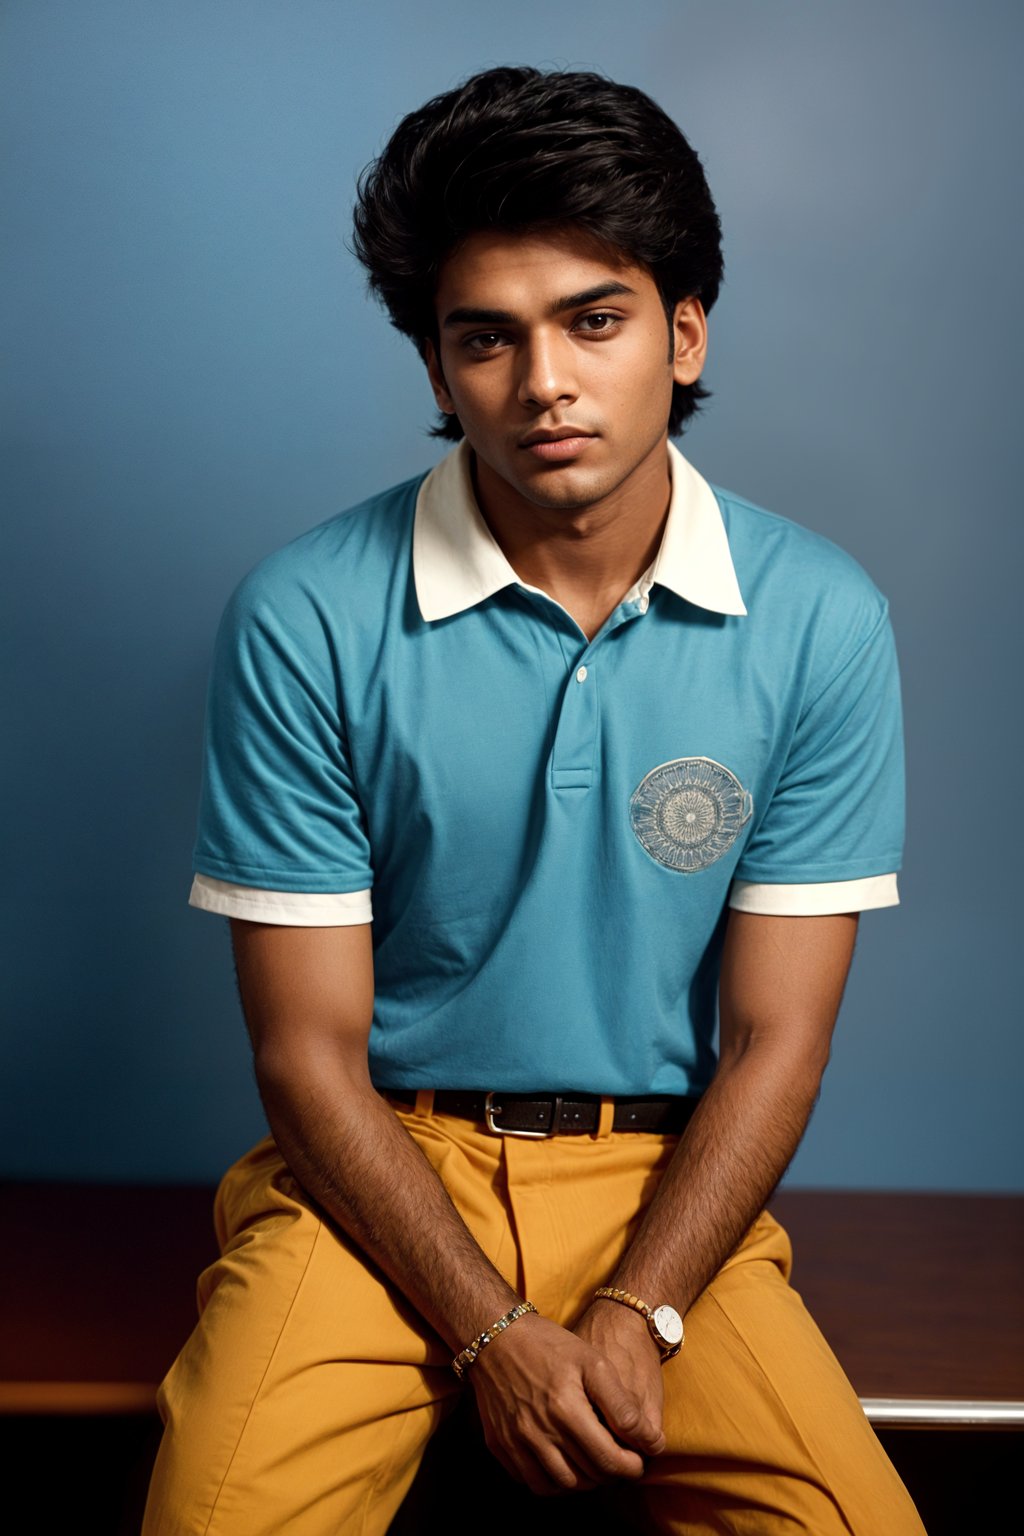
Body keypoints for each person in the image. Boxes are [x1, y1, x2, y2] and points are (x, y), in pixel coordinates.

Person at [143, 66, 925, 1535]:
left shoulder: (820, 617)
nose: (544, 382)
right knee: (214, 1515)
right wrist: (491, 1334)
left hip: (666, 1185)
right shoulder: (307, 612)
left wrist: (638, 1311)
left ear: (685, 334)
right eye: (485, 339)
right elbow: (306, 1055)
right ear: (438, 374)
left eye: (595, 320)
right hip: (375, 1172)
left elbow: (776, 1041)